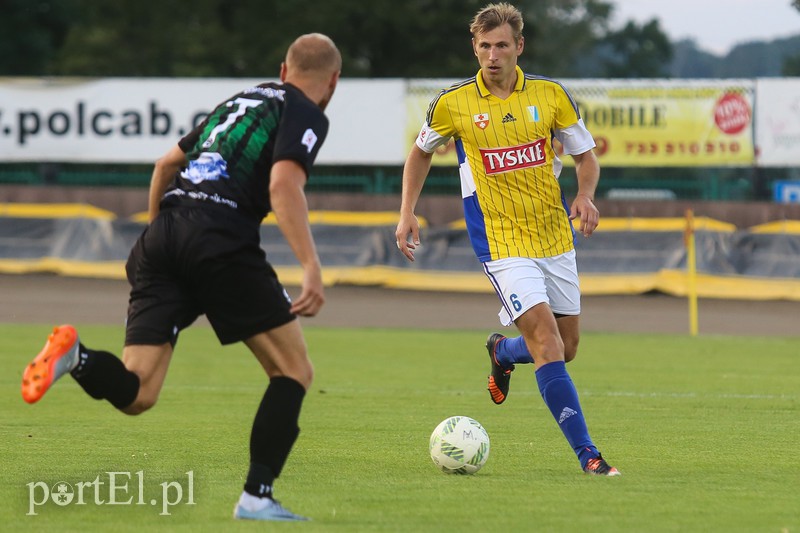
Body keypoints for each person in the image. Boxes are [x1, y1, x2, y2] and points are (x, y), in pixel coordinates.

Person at [21, 33, 342, 520]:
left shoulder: (242, 100)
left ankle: (77, 357)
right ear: (332, 83)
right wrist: (312, 266)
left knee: (138, 392)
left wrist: (161, 235)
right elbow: (282, 184)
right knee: (294, 371)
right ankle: (256, 498)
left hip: (163, 237)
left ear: (282, 69)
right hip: (221, 240)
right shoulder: (306, 111)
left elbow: (166, 163)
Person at [395, 3, 620, 476]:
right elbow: (419, 155)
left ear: (519, 46)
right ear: (474, 48)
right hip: (500, 243)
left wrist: (584, 195)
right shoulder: (453, 103)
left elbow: (585, 156)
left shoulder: (551, 95)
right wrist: (406, 212)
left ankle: (502, 351)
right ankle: (590, 456)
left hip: (554, 236)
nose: (492, 55)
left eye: (501, 45)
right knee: (548, 345)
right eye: (484, 46)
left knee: (567, 346)